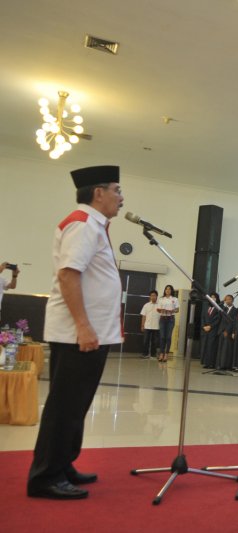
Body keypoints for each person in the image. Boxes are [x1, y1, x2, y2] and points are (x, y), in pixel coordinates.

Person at [28, 165, 124, 500]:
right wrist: (83, 326)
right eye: (117, 190)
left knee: (75, 405)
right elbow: (69, 275)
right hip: (78, 335)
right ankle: (46, 477)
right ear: (98, 193)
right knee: (64, 407)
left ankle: (62, 464)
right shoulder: (83, 224)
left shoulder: (94, 225)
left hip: (89, 333)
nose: (121, 198)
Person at [156, 285, 179, 362]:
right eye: (166, 289)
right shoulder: (161, 299)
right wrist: (161, 310)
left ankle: (166, 354)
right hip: (162, 318)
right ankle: (161, 353)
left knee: (168, 337)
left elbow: (177, 310)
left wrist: (172, 311)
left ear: (171, 290)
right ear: (165, 290)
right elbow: (158, 309)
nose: (168, 290)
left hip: (170, 319)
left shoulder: (174, 299)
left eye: (169, 289)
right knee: (162, 337)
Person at [200, 292, 221, 369]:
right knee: (205, 346)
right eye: (211, 297)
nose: (212, 298)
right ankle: (205, 362)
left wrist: (210, 326)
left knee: (211, 347)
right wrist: (204, 326)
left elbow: (218, 319)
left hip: (213, 330)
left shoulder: (218, 308)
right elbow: (202, 317)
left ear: (217, 299)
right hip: (205, 330)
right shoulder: (206, 307)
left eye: (214, 297)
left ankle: (211, 363)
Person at [216, 294, 236, 370]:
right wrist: (222, 301)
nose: (228, 301)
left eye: (229, 299)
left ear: (232, 300)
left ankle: (225, 365)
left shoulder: (235, 310)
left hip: (228, 332)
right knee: (220, 349)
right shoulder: (223, 309)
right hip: (221, 331)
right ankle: (219, 364)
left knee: (226, 349)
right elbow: (220, 318)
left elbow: (233, 322)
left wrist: (227, 330)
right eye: (226, 299)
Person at [139, 290, 160, 359]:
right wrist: (142, 325)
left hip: (156, 326)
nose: (153, 297)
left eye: (154, 295)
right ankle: (145, 354)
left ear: (157, 296)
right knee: (146, 341)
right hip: (147, 326)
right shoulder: (146, 305)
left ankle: (153, 355)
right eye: (152, 295)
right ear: (150, 297)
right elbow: (143, 316)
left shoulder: (160, 305)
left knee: (155, 342)